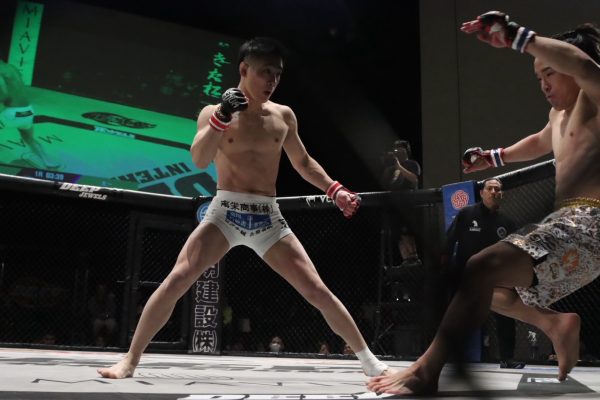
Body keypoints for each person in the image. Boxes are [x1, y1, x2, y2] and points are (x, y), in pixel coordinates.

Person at [98, 37, 390, 379]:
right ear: (244, 70)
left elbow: (303, 162)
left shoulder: (283, 116)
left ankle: (370, 361)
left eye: (277, 74)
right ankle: (130, 361)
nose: (272, 81)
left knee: (316, 290)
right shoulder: (212, 113)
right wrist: (221, 118)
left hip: (267, 217)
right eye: (265, 72)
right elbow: (199, 159)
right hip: (225, 213)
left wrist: (334, 189)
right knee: (177, 279)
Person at [368, 11, 600, 394]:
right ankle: (555, 324)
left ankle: (427, 371)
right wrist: (493, 157)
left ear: (571, 69)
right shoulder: (558, 116)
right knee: (483, 287)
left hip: (591, 226)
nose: (543, 84)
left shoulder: (594, 97)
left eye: (550, 72)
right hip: (567, 228)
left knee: (481, 266)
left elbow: (582, 64)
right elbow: (540, 142)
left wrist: (517, 37)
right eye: (538, 77)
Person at [445, 178, 524, 369]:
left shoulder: (507, 222)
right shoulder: (466, 214)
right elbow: (449, 241)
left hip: (496, 278)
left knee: (506, 314)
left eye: (497, 189)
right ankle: (449, 355)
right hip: (467, 276)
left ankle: (507, 358)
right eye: (490, 188)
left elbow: (514, 252)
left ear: (501, 194)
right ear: (482, 193)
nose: (494, 192)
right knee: (457, 315)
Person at [0, 59, 59, 169]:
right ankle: (48, 161)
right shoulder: (12, 68)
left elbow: (4, 95)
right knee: (29, 139)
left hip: (12, 114)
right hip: (27, 112)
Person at [380, 140, 422, 267]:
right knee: (398, 234)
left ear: (406, 151)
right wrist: (388, 165)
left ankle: (413, 258)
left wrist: (399, 166)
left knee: (407, 231)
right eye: (395, 149)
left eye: (400, 149)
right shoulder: (391, 169)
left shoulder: (412, 164)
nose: (397, 151)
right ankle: (406, 260)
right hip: (394, 205)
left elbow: (414, 179)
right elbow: (385, 184)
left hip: (408, 204)